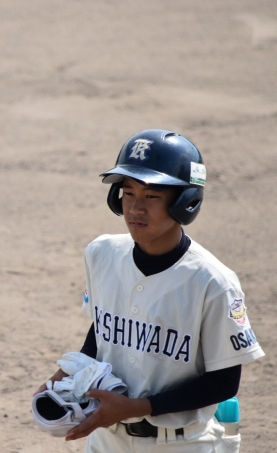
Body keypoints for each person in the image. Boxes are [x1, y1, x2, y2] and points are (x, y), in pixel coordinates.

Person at [34, 129, 265, 452]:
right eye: (128, 193)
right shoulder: (101, 254)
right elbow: (102, 329)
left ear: (185, 202)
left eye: (152, 196)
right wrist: (63, 374)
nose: (135, 208)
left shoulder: (212, 282)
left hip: (183, 443)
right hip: (107, 438)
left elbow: (224, 382)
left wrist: (137, 408)